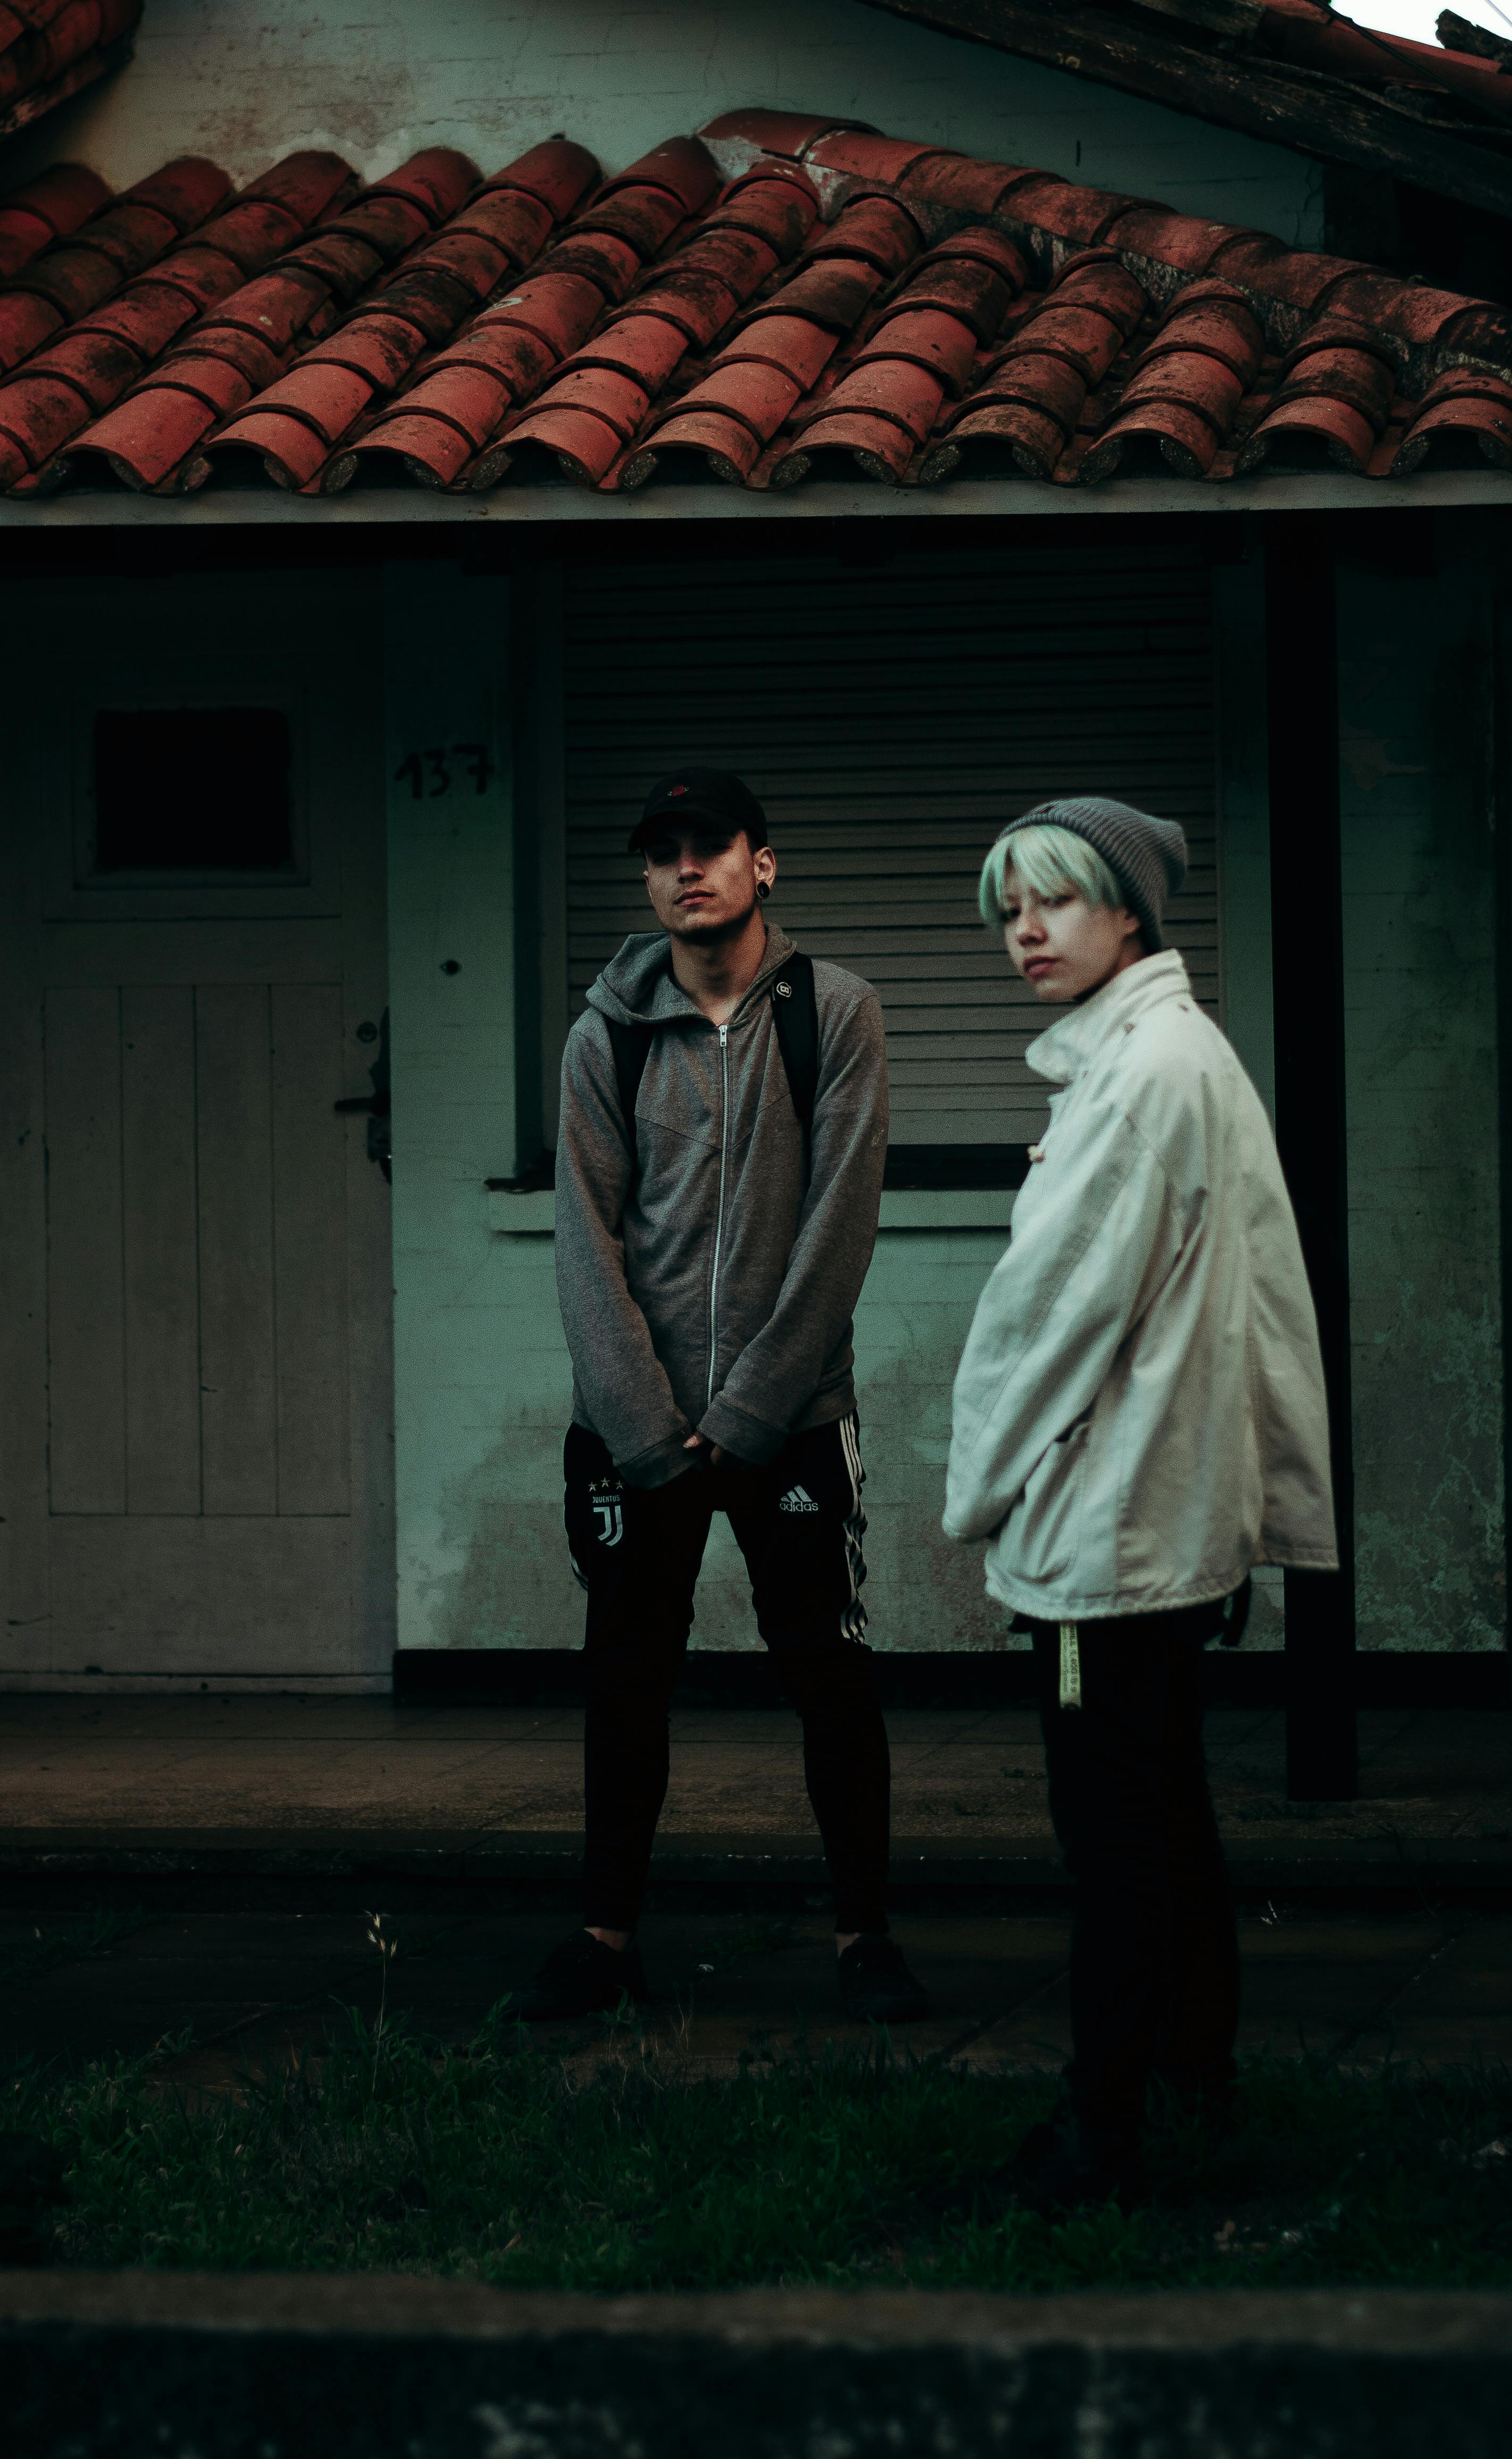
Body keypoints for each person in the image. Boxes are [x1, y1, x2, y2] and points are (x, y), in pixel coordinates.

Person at [944, 796, 1335, 2210]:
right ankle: (1191, 2077)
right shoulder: (1175, 1052)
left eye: (1054, 900)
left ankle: (1099, 2128)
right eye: (1008, 909)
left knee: (1114, 1841)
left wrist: (977, 1494)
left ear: (1130, 914)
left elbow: (1045, 1320)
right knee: (1167, 1816)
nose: (1026, 931)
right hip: (1165, 1518)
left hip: (1111, 1534)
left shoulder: (1143, 1072)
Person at [507, 765, 928, 2027]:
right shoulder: (608, 1030)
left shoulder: (835, 1010)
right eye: (662, 852)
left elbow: (837, 1222)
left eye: (710, 845)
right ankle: (603, 1935)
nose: (685, 868)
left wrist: (744, 1412)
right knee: (626, 1676)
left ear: (763, 863)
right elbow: (587, 1238)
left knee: (830, 1677)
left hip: (788, 1419)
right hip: (635, 1433)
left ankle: (864, 1937)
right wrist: (644, 1425)